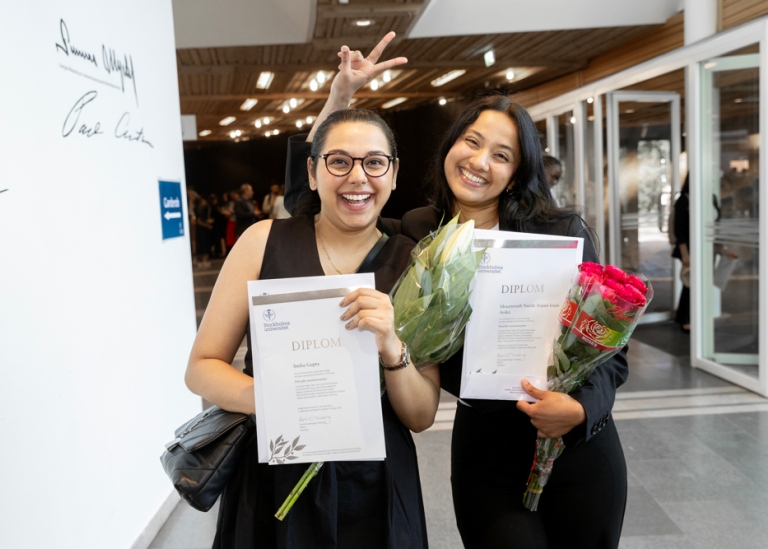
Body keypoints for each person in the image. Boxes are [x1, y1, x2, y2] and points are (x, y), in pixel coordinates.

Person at [285, 33, 628, 549]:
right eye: (471, 141)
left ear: (515, 175)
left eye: (501, 154)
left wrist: (578, 412)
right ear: (450, 146)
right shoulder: (418, 231)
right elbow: (308, 204)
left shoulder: (560, 234)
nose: (479, 161)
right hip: (486, 457)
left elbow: (611, 351)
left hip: (578, 451)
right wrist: (339, 101)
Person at [185, 108, 439, 548]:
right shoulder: (263, 242)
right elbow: (201, 368)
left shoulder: (416, 262)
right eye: (339, 161)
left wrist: (391, 346)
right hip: (275, 472)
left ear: (394, 174)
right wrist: (279, 402)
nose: (357, 177)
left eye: (374, 162)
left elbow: (420, 417)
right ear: (313, 170)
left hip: (375, 483)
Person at [671, 175, 691, 332]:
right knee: (689, 284)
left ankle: (691, 317)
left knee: (695, 285)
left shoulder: (709, 197)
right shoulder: (683, 200)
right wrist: (685, 255)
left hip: (704, 250)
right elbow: (679, 231)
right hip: (689, 250)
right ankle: (684, 318)